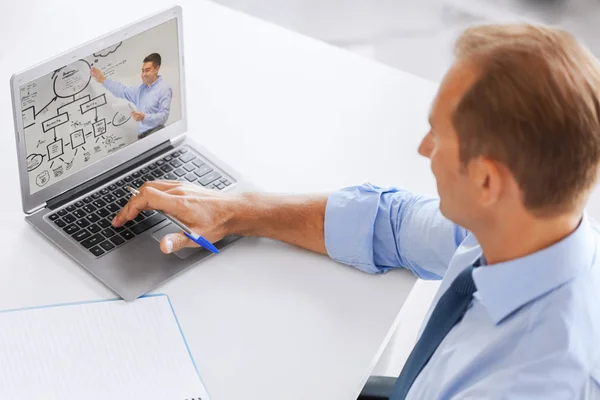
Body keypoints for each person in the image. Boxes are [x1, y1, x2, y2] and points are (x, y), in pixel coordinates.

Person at [112, 24, 600, 399]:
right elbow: (390, 224)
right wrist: (239, 210)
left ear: (488, 180)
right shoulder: (524, 224)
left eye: (439, 135)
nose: (423, 148)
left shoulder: (539, 380)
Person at [90, 53, 172, 139]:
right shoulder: (140, 90)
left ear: (157, 69)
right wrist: (102, 79)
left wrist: (144, 117)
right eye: (142, 71)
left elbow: (164, 116)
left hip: (157, 135)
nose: (143, 74)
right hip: (142, 138)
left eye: (147, 70)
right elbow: (122, 90)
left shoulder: (164, 88)